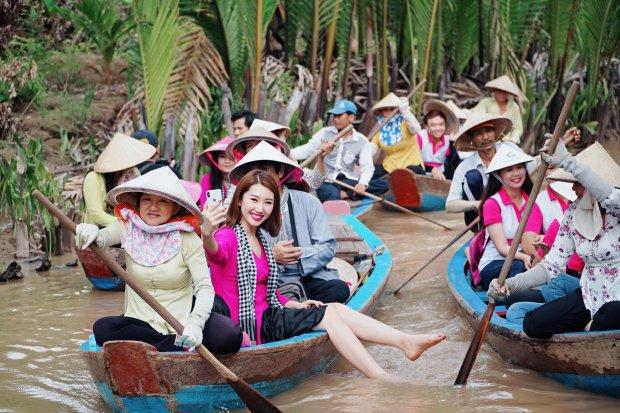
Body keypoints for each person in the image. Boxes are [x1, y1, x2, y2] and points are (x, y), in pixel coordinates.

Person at [201, 168, 445, 378]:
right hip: (249, 327)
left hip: (269, 316)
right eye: (254, 200)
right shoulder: (228, 235)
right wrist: (207, 233)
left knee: (335, 308)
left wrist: (295, 304)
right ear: (240, 201)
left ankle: (404, 341)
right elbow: (215, 252)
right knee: (329, 316)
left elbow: (266, 291)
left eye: (267, 202)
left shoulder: (261, 239)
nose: (260, 208)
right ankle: (380, 375)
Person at [75, 167, 242, 353]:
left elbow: (204, 287)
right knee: (102, 329)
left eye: (162, 201)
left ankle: (174, 342)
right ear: (139, 202)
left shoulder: (187, 238)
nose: (153, 207)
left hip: (181, 319)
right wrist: (91, 232)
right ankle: (172, 345)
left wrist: (195, 324)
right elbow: (102, 238)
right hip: (140, 321)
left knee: (230, 336)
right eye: (147, 199)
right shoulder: (128, 226)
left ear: (175, 207)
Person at [488, 140, 620, 337]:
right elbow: (550, 266)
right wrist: (510, 284)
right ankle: (590, 326)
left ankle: (592, 326)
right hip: (589, 295)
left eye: (578, 183)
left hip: (617, 298)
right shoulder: (573, 213)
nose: (573, 189)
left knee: (611, 312)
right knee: (533, 324)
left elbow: (608, 195)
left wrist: (567, 160)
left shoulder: (616, 207)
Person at [212, 141, 351, 304]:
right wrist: (271, 256)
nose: (260, 177)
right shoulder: (246, 210)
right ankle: (298, 309)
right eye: (253, 172)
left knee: (338, 289)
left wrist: (298, 254)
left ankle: (298, 308)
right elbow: (234, 260)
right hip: (267, 283)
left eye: (264, 169)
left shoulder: (309, 202)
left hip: (308, 277)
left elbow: (328, 247)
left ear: (280, 172)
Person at [291, 99, 388, 202]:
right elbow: (307, 150)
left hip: (346, 181)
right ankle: (342, 196)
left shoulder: (362, 141)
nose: (335, 119)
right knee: (331, 194)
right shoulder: (324, 133)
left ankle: (345, 194)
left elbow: (367, 166)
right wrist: (287, 153)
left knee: (382, 185)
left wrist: (362, 184)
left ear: (351, 117)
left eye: (339, 115)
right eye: (334, 116)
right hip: (326, 179)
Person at [475, 144, 541, 290]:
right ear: (499, 175)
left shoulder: (532, 200)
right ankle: (514, 298)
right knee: (519, 265)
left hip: (525, 256)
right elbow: (502, 247)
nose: (516, 173)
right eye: (509, 170)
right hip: (495, 263)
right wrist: (524, 257)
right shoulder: (492, 204)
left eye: (519, 167)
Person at [445, 113, 515, 228]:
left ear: (495, 132)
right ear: (472, 139)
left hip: (511, 207)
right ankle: (483, 230)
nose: (485, 137)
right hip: (481, 217)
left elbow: (531, 167)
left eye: (488, 130)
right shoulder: (465, 166)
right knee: (472, 176)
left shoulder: (509, 151)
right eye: (479, 133)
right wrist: (478, 204)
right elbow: (450, 205)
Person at [83, 133, 156, 227]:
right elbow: (97, 216)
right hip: (98, 232)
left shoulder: (131, 173)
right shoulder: (93, 178)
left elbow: (137, 205)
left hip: (126, 231)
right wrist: (132, 225)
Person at [367, 92, 424, 177]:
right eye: (386, 109)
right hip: (390, 167)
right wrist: (364, 155)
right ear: (381, 112)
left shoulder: (406, 121)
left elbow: (416, 129)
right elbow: (373, 147)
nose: (389, 112)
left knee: (405, 175)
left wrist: (406, 112)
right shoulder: (380, 128)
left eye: (392, 109)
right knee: (370, 175)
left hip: (412, 164)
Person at [416, 99, 462, 180]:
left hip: (440, 176)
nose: (438, 128)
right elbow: (413, 161)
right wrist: (431, 169)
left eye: (441, 124)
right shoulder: (420, 136)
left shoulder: (448, 139)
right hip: (420, 172)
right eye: (433, 125)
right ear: (426, 126)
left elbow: (455, 164)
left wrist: (452, 142)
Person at [471, 75, 523, 144]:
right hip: (488, 141)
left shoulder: (514, 107)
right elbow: (475, 113)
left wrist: (513, 139)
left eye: (504, 92)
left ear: (509, 93)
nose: (501, 94)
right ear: (494, 90)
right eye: (499, 91)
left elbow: (518, 128)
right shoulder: (486, 102)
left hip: (509, 142)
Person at [198, 136, 235, 208]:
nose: (227, 161)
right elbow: (205, 207)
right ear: (216, 159)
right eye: (222, 156)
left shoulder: (244, 179)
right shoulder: (207, 179)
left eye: (231, 157)